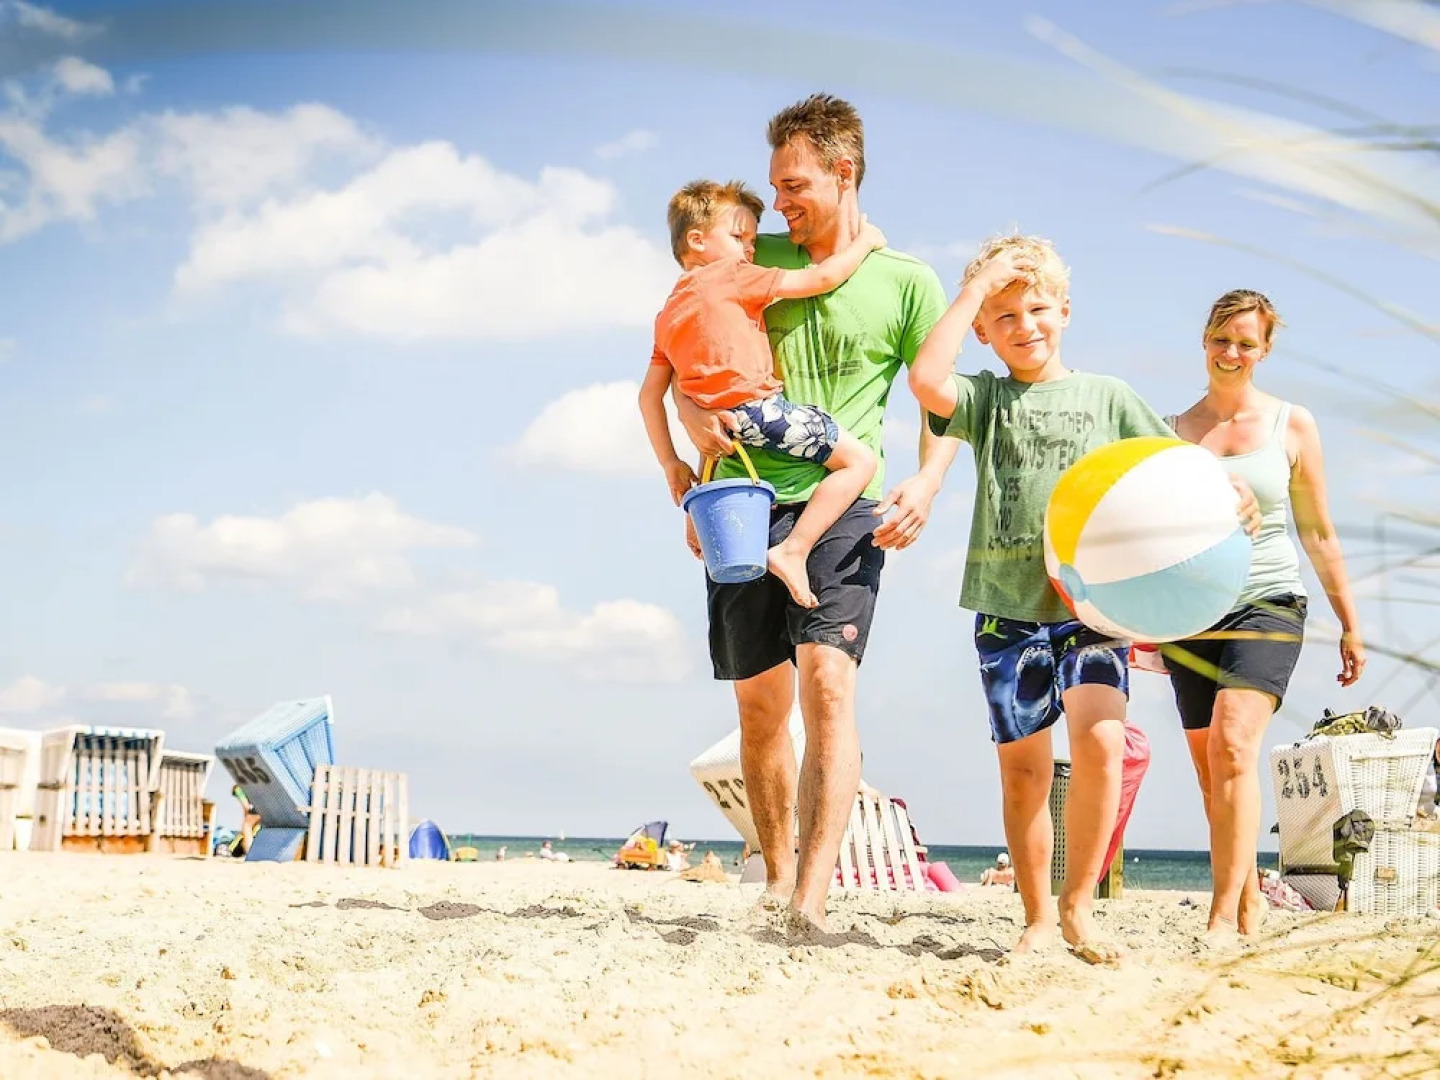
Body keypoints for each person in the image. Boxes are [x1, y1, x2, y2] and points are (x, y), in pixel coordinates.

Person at [908, 234, 1261, 961]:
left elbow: (1175, 469)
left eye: (1037, 309)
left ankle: (1078, 907)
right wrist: (976, 287)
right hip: (1008, 608)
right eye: (1004, 317)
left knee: (1101, 747)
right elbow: (925, 380)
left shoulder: (1109, 397)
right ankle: (1036, 915)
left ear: (1065, 311)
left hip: (1096, 611)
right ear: (982, 329)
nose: (1024, 326)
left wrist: (1232, 495)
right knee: (1024, 767)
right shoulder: (985, 397)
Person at [673, 93, 960, 934]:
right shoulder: (750, 255)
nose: (781, 201)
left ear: (845, 171)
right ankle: (775, 872)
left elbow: (940, 400)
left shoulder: (907, 279)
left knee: (828, 687)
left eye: (794, 183)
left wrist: (931, 480)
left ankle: (812, 897)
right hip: (740, 496)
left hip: (843, 506)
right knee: (759, 705)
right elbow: (687, 347)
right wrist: (693, 443)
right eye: (773, 185)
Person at [1161, 289, 1366, 938]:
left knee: (1231, 741)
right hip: (1190, 613)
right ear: (1205, 339)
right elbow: (1154, 535)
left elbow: (1320, 533)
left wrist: (1350, 621)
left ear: (1264, 351)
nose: (1232, 352)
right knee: (1210, 767)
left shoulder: (1291, 424)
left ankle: (1221, 914)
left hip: (1269, 600)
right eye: (1223, 338)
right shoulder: (1171, 431)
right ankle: (1247, 900)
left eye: (1247, 343)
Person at [640, 180, 887, 607]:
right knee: (860, 461)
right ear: (696, 240)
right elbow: (822, 278)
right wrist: (865, 241)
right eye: (739, 238)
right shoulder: (731, 276)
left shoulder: (667, 314)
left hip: (720, 437)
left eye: (753, 240)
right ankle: (794, 549)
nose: (750, 250)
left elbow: (649, 396)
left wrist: (670, 463)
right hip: (759, 413)